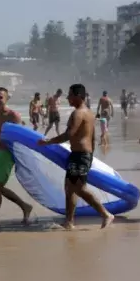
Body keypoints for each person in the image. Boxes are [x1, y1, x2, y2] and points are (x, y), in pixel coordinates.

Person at [38, 83, 114, 230]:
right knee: (69, 188)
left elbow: (69, 134)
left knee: (78, 188)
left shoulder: (77, 113)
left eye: (70, 95)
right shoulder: (89, 112)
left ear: (78, 96)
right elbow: (91, 137)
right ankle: (69, 222)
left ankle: (105, 214)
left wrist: (48, 142)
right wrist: (90, 154)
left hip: (80, 155)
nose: (68, 98)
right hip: (81, 154)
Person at [0, 87, 33, 227]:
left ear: (7, 99)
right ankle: (22, 207)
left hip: (8, 153)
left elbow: (21, 136)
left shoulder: (13, 115)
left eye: (0, 97)